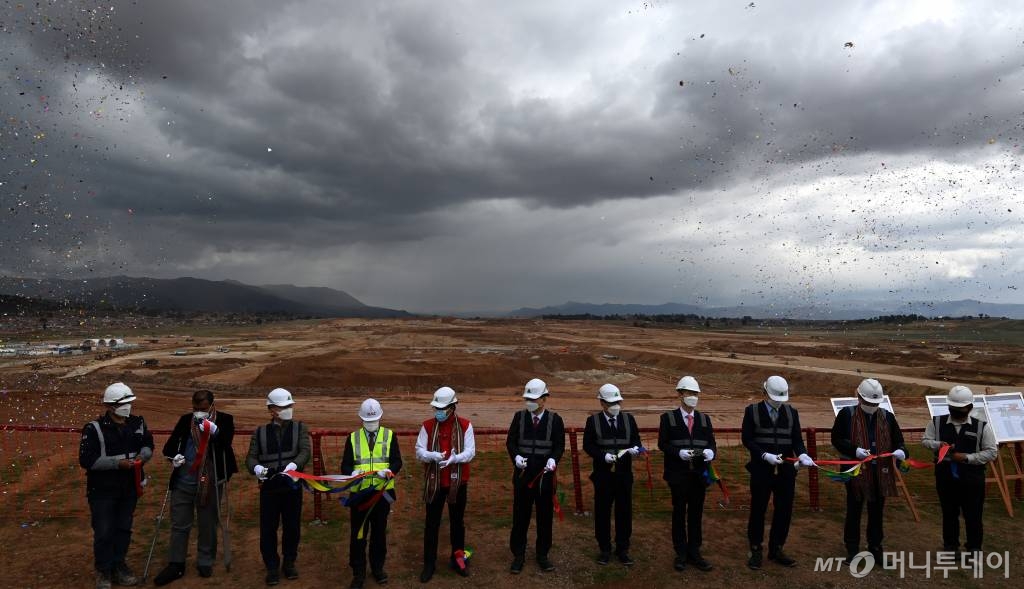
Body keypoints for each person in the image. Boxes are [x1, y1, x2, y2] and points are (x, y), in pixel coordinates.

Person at [154, 389, 238, 585]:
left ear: (211, 405)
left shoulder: (225, 419)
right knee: (179, 523)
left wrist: (215, 432)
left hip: (210, 480)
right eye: (194, 408)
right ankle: (176, 563)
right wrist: (173, 457)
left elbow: (226, 444)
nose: (198, 412)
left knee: (207, 523)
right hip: (183, 480)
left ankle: (205, 560)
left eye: (202, 409)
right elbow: (169, 447)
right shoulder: (185, 420)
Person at [78, 382, 154, 589]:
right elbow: (87, 460)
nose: (129, 406)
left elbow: (148, 443)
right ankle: (103, 570)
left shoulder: (137, 423)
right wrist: (117, 464)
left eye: (130, 402)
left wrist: (144, 455)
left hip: (129, 488)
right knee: (104, 531)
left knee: (123, 529)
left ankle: (119, 566)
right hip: (103, 489)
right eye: (124, 403)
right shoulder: (94, 429)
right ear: (111, 406)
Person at [741, 375, 815, 570]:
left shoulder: (791, 413)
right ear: (764, 393)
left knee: (784, 511)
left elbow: (797, 440)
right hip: (761, 470)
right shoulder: (752, 412)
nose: (778, 403)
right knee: (758, 509)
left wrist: (803, 454)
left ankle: (777, 548)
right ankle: (756, 548)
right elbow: (747, 439)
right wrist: (764, 455)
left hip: (785, 472)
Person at [831, 378, 907, 562]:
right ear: (859, 397)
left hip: (881, 473)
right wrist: (854, 450)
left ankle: (875, 547)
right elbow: (837, 439)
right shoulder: (846, 415)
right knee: (854, 510)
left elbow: (899, 440)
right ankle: (852, 548)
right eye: (868, 402)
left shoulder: (887, 417)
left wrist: (901, 451)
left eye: (875, 403)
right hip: (856, 472)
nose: (871, 406)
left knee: (877, 512)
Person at [921, 386, 998, 553]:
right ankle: (950, 547)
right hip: (945, 476)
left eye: (960, 409)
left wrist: (966, 458)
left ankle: (974, 549)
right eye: (953, 408)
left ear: (969, 407)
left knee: (973, 515)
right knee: (949, 513)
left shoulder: (981, 427)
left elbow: (991, 452)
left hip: (972, 478)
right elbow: (926, 440)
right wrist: (938, 445)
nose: (956, 411)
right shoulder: (936, 422)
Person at [246, 388, 311, 586]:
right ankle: (272, 567)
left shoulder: (300, 428)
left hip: (292, 487)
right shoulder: (260, 432)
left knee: (292, 527)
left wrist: (295, 465)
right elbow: (251, 457)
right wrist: (256, 468)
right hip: (270, 489)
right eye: (283, 407)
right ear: (271, 409)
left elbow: (305, 451)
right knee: (268, 529)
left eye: (289, 406)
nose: (288, 409)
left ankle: (289, 562)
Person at [414, 386, 476, 582]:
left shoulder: (466, 425)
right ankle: (429, 564)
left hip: (458, 483)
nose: (438, 412)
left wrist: (455, 459)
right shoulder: (427, 426)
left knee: (457, 523)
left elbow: (471, 452)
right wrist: (431, 455)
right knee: (431, 524)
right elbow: (419, 450)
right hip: (435, 484)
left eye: (441, 408)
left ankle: (457, 559)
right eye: (436, 408)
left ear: (452, 407)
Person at [341, 398, 403, 589]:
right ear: (361, 420)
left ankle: (378, 568)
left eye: (374, 420)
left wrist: (390, 471)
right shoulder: (353, 438)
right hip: (359, 495)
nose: (371, 424)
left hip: (381, 494)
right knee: (358, 534)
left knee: (378, 534)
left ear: (380, 417)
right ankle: (358, 572)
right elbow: (345, 465)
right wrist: (351, 473)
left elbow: (397, 461)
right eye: (368, 421)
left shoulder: (389, 436)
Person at [506, 378, 565, 574]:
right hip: (523, 476)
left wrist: (553, 460)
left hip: (544, 478)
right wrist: (516, 457)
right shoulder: (519, 417)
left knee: (544, 517)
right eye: (528, 398)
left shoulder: (555, 420)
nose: (529, 401)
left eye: (534, 398)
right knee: (520, 517)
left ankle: (542, 555)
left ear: (544, 399)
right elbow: (511, 442)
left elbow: (559, 446)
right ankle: (518, 555)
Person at [658, 376, 717, 572]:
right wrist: (678, 453)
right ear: (680, 394)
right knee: (678, 513)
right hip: (678, 475)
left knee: (696, 514)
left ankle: (695, 552)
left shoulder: (704, 419)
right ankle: (681, 553)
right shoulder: (668, 418)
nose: (693, 397)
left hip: (699, 476)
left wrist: (711, 452)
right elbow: (662, 444)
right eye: (689, 393)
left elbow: (711, 443)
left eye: (695, 394)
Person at [583, 384, 642, 566]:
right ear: (602, 403)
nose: (615, 405)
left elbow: (637, 443)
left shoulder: (629, 420)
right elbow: (588, 445)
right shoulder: (593, 422)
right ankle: (605, 549)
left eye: (617, 401)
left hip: (624, 475)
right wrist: (602, 456)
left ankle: (622, 549)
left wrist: (635, 450)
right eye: (611, 402)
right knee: (602, 513)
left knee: (624, 512)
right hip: (603, 476)